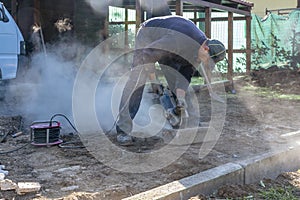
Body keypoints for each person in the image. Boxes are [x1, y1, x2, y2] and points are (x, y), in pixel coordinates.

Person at [115, 15, 226, 146]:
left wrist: (180, 98)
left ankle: (191, 123)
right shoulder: (179, 40)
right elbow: (147, 54)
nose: (205, 63)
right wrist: (154, 80)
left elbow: (185, 75)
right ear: (206, 49)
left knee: (177, 83)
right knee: (138, 80)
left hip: (168, 48)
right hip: (149, 36)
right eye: (208, 60)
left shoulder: (198, 52)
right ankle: (123, 130)